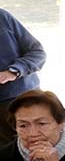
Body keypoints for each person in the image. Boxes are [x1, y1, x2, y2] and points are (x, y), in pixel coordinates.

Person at [0, 8, 47, 146]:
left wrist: (14, 71)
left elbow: (37, 53)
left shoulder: (2, 18)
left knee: (39, 150)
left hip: (24, 98)